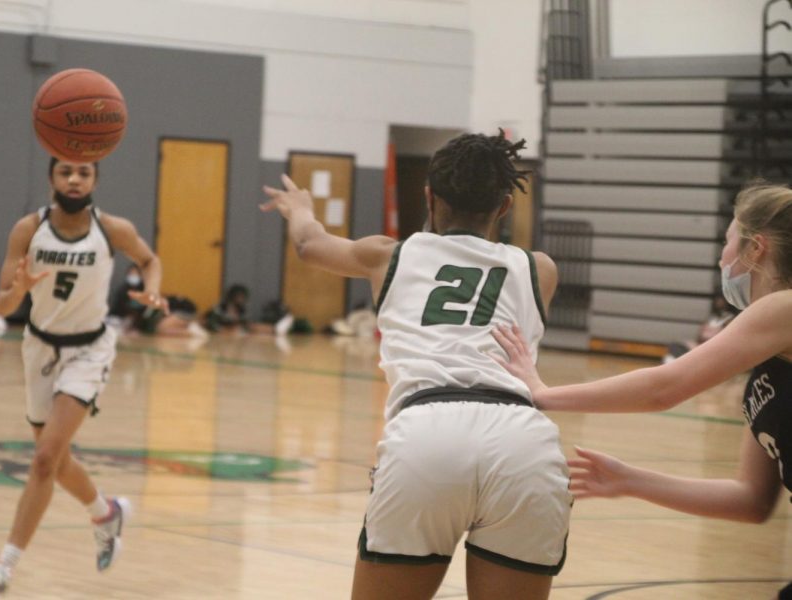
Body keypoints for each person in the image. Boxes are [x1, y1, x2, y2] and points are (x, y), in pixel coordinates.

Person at [261, 131, 572, 600]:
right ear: (505, 206)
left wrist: (299, 206)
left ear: (429, 196)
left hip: (428, 434)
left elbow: (309, 245)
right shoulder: (540, 269)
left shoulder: (389, 255)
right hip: (523, 441)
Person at [491, 183, 792, 600]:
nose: (721, 258)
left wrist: (544, 393)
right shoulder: (769, 353)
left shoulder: (784, 308)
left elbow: (663, 388)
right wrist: (629, 480)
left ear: (756, 248)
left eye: (727, 242)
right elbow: (750, 500)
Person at [0, 157, 166, 599]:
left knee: (44, 457)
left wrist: (153, 289)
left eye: (84, 173)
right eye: (66, 172)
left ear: (95, 180)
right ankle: (105, 513)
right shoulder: (27, 230)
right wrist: (18, 292)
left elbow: (150, 258)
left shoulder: (111, 229)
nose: (74, 180)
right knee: (56, 462)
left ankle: (5, 567)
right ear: (51, 179)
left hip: (89, 349)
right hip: (39, 347)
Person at [110, 264, 208, 338]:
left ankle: (193, 328)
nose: (133, 276)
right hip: (163, 316)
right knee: (161, 329)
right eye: (131, 273)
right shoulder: (124, 290)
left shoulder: (148, 291)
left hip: (181, 312)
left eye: (136, 273)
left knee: (162, 329)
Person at [662, 295, 735, 363]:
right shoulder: (713, 317)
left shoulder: (730, 320)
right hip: (702, 345)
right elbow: (703, 332)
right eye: (717, 300)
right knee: (675, 346)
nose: (719, 303)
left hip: (712, 347)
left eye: (721, 301)